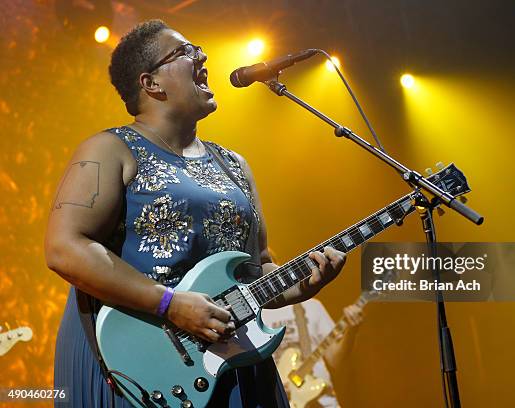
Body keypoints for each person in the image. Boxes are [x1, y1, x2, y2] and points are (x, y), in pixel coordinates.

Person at [45, 19, 346, 408]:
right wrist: (169, 303)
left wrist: (299, 286)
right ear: (151, 83)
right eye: (185, 51)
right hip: (140, 362)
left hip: (233, 357)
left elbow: (257, 269)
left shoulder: (234, 164)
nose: (202, 55)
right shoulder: (108, 149)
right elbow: (64, 248)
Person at [262, 299, 363, 408]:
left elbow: (335, 361)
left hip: (323, 402)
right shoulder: (256, 317)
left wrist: (351, 331)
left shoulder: (311, 306)